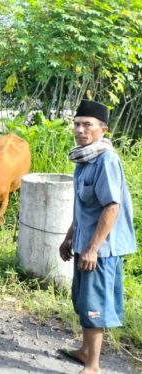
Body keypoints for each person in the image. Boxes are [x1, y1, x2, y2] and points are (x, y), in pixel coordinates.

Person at [58, 100, 136, 374]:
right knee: (81, 298)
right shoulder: (84, 157)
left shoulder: (106, 160)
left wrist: (92, 249)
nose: (80, 130)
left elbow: (111, 206)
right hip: (85, 241)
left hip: (101, 249)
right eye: (77, 124)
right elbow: (84, 207)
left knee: (93, 305)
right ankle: (84, 350)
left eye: (87, 125)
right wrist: (70, 237)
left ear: (103, 129)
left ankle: (93, 366)